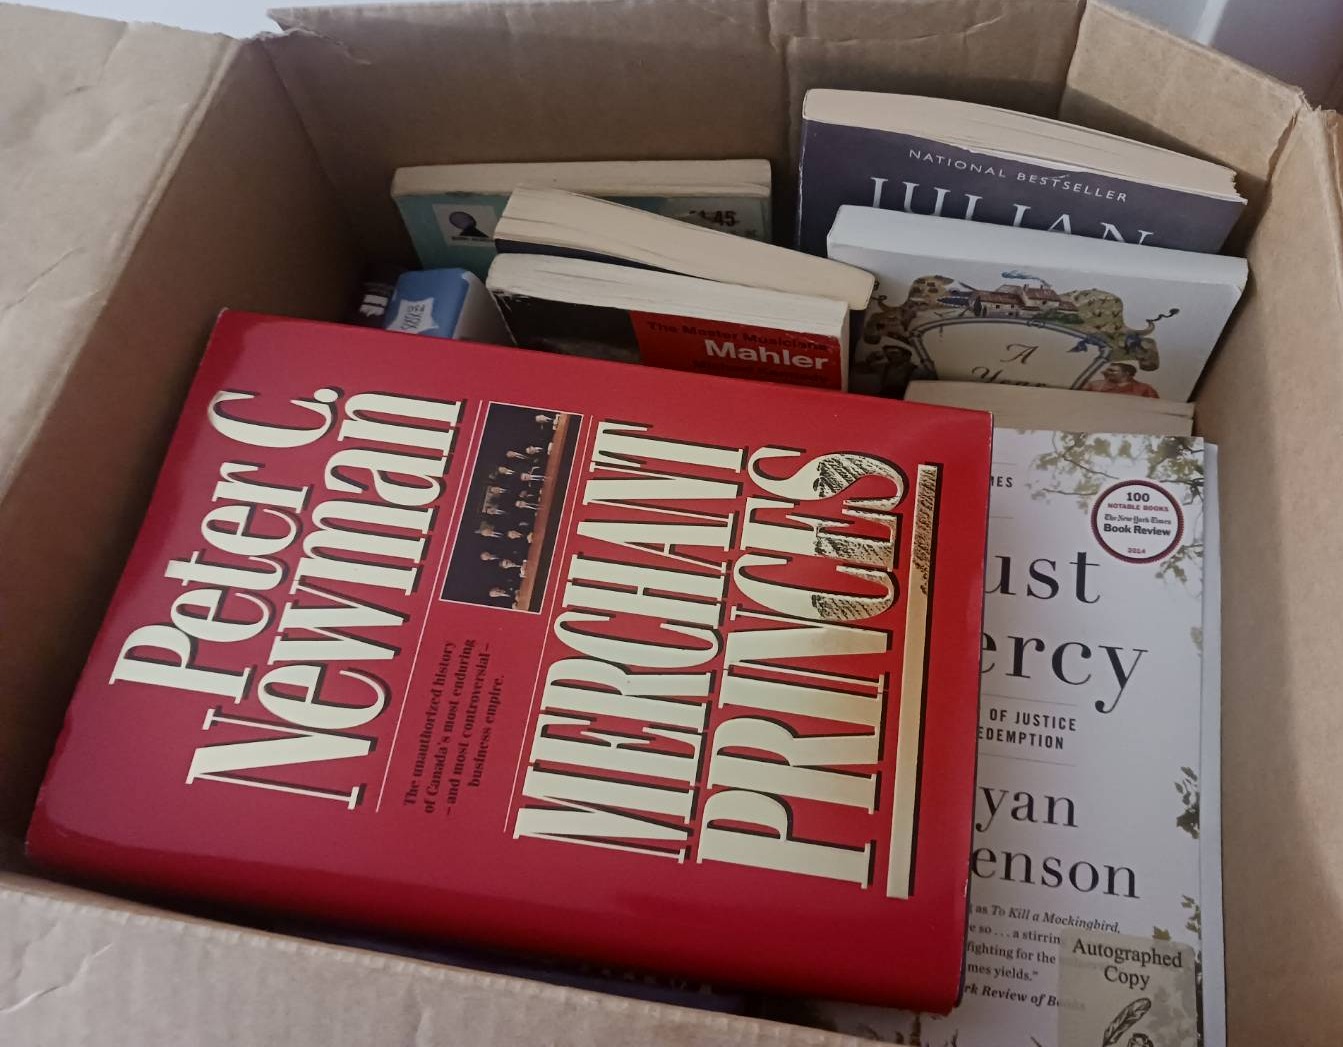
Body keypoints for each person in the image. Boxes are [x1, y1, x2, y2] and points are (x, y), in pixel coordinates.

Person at [1084, 362, 1160, 398]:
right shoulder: (1094, 385)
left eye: (1112, 370)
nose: (1106, 372)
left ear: (1126, 373)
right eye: (1107, 370)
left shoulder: (1145, 388)